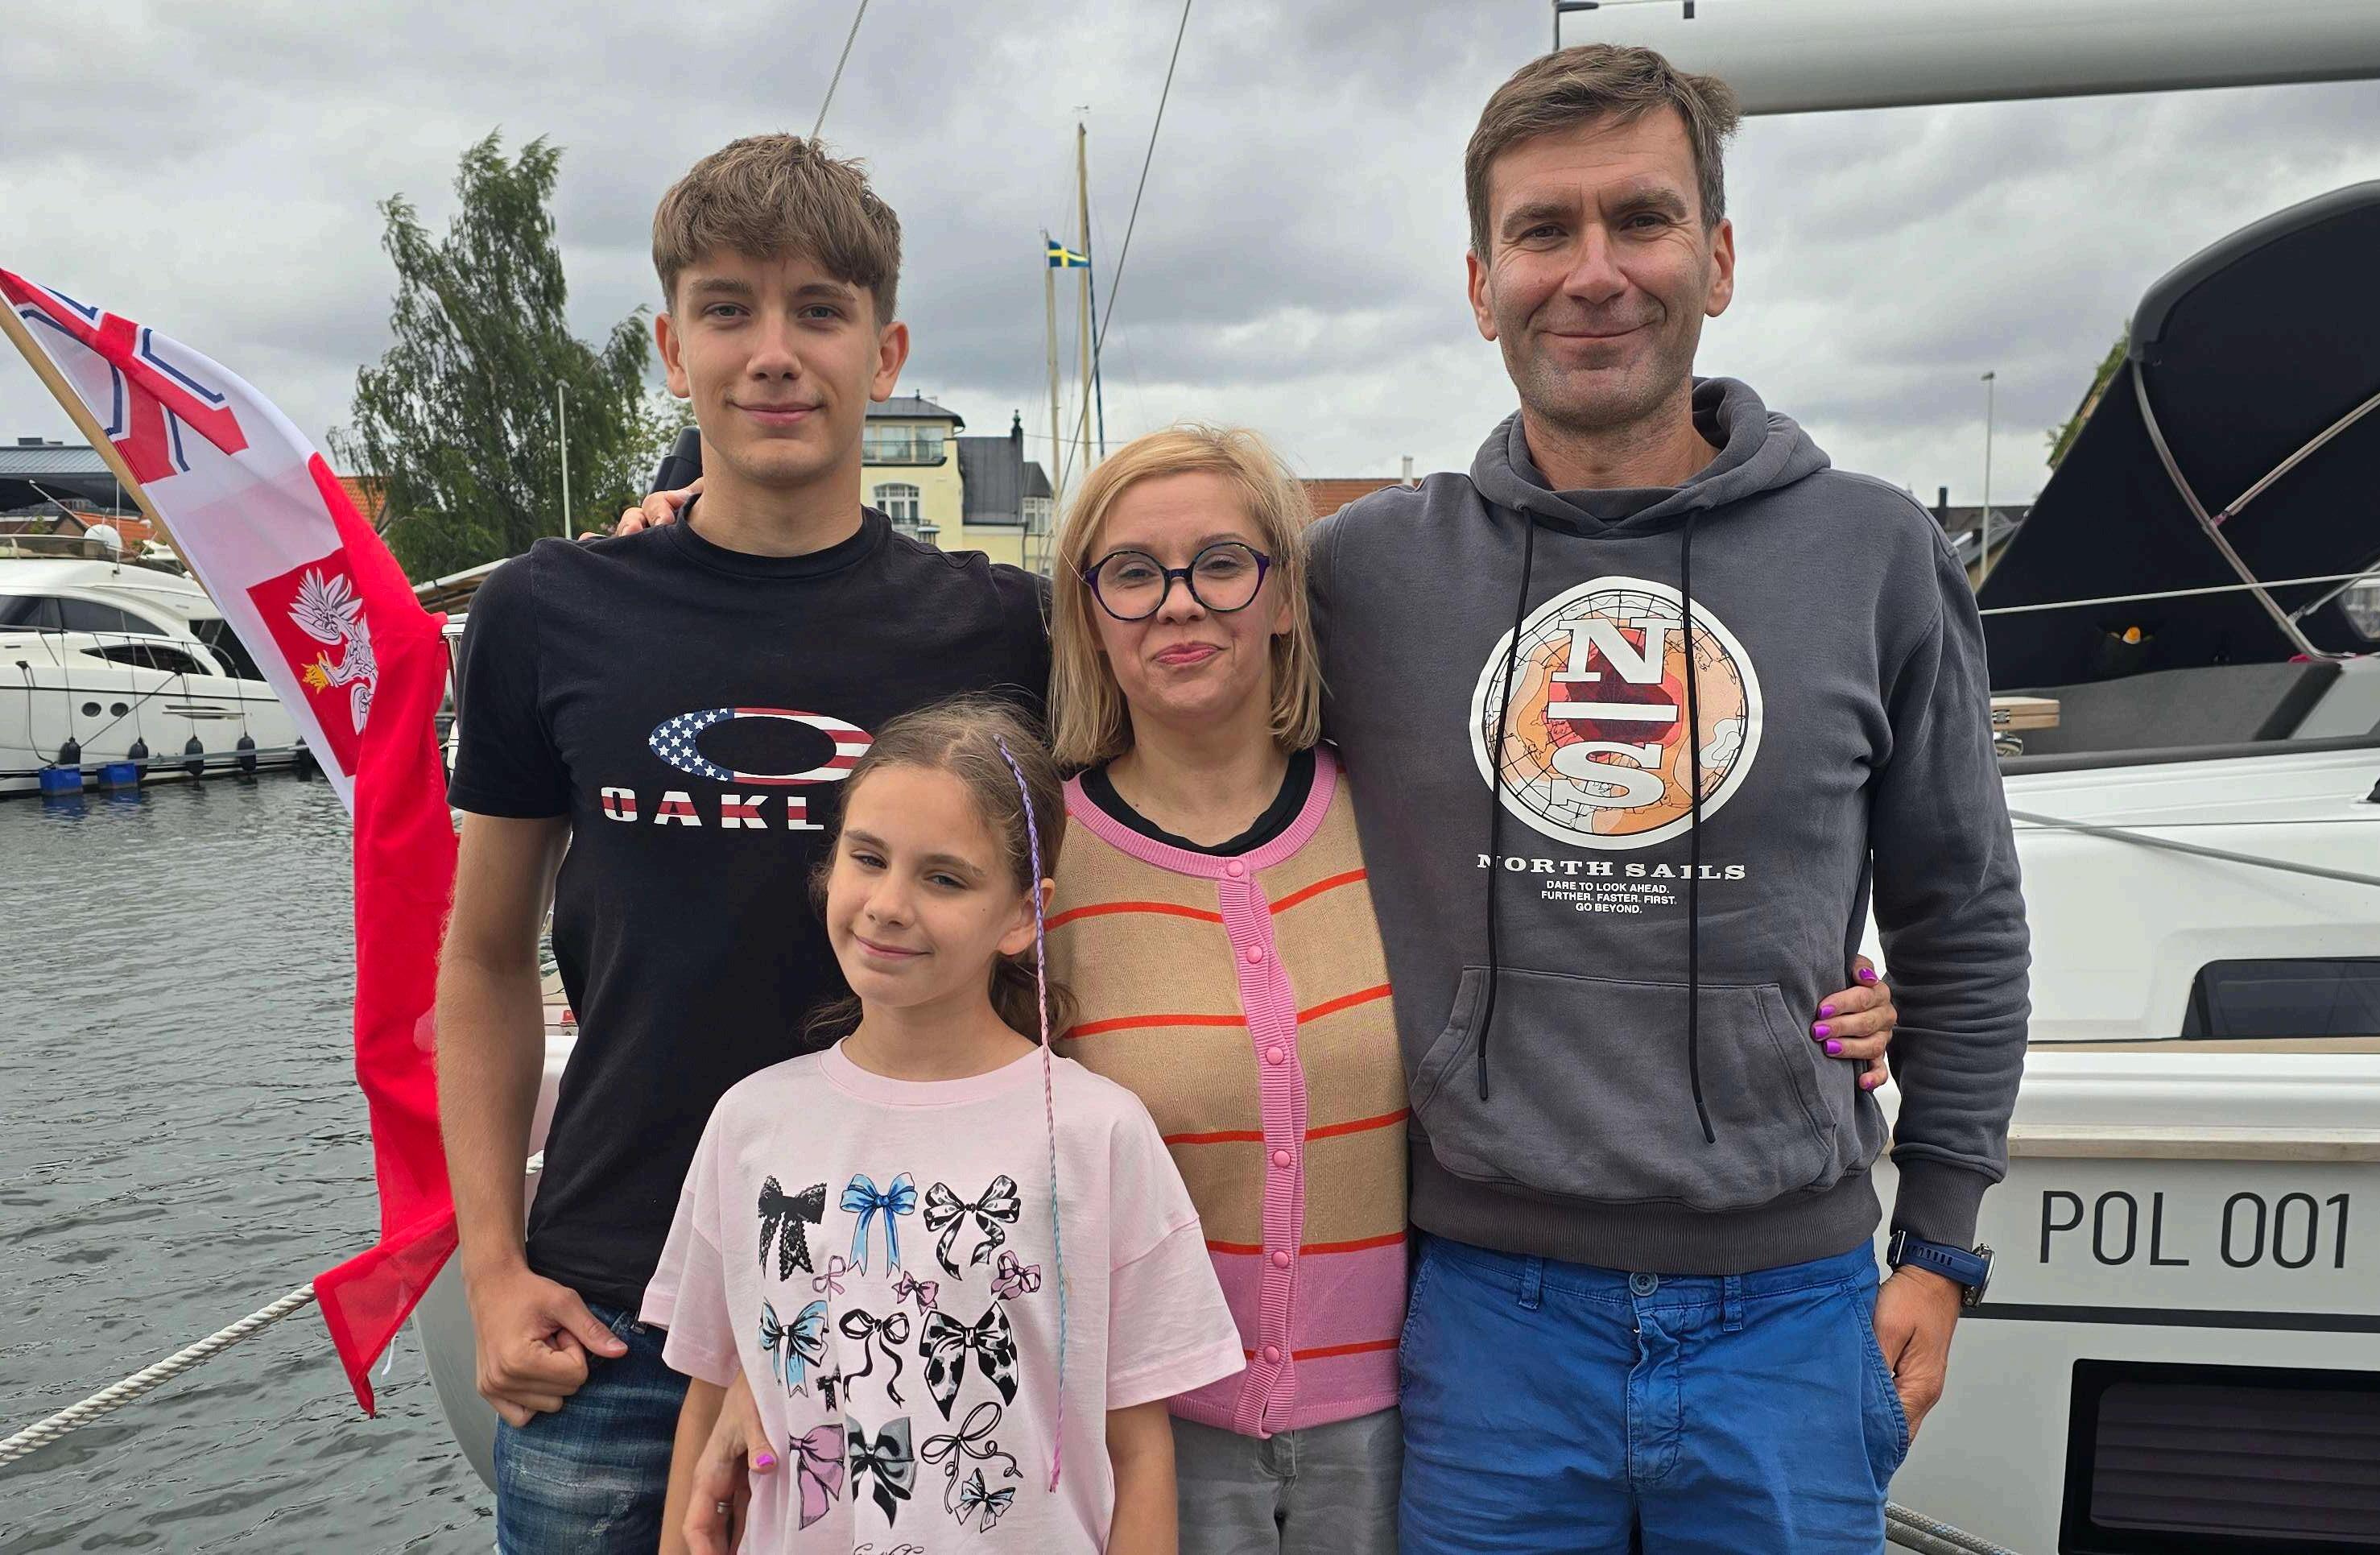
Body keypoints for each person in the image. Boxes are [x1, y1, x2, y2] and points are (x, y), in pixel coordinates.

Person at [658, 425, 1899, 1553]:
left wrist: (1816, 995)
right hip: (1148, 1436)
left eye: (1221, 563)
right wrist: (766, 1384)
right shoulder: (1037, 863)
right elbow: (903, 1107)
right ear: (1089, 613)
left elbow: (1585, 945)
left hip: (1404, 1424)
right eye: (1132, 572)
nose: (1178, 601)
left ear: (1286, 594)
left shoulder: (1407, 819)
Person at [1308, 46, 2032, 1552]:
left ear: (1717, 257)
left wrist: (1941, 1245)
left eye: (1639, 219)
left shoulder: (1876, 554)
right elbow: (1161, 725)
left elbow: (1962, 918)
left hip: (1794, 1316)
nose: (1594, 273)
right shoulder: (1368, 576)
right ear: (1480, 282)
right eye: (1543, 230)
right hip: (1486, 1324)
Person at [436, 133, 1048, 1553]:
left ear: (884, 352)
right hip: (613, 1313)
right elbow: (482, 960)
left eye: (819, 310)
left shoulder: (998, 629)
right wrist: (489, 1266)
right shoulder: (546, 613)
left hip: (910, 1289)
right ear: (671, 346)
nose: (774, 353)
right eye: (728, 308)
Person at [648, 697, 1243, 1553]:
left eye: (944, 878)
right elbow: (708, 1394)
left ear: (1023, 915)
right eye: (868, 858)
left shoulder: (1097, 1131)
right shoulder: (749, 1122)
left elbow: (1139, 1448)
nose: (889, 903)